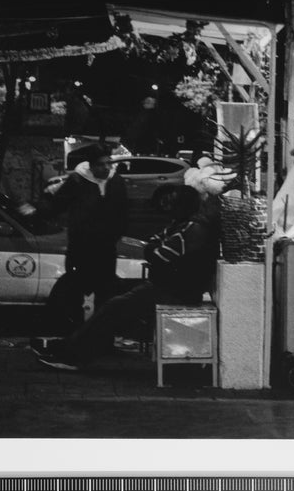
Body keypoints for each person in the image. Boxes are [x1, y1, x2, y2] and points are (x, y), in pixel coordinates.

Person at [33, 183, 219, 371]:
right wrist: (155, 249)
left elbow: (157, 255)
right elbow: (153, 245)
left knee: (114, 307)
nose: (167, 206)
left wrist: (155, 249)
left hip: (175, 291)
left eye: (172, 201)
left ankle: (72, 355)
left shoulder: (191, 229)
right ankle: (74, 347)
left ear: (182, 204)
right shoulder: (180, 225)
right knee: (113, 300)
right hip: (168, 287)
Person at [33, 141, 130, 320]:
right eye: (100, 164)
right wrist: (41, 207)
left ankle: (101, 332)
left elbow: (122, 211)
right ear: (91, 165)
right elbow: (58, 205)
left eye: (108, 163)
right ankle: (75, 329)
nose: (106, 168)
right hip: (81, 246)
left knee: (105, 291)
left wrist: (116, 234)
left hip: (106, 247)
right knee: (76, 288)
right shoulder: (78, 181)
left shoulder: (116, 181)